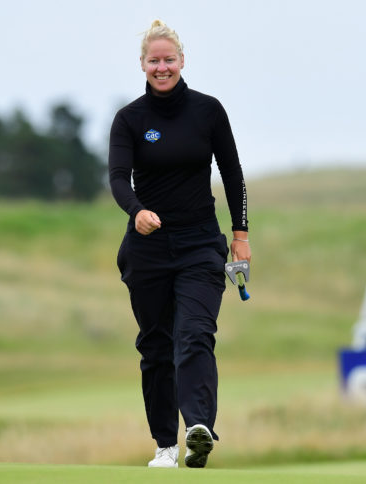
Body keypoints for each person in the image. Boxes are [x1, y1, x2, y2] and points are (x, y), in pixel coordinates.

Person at [108, 19, 250, 469]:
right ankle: (164, 445)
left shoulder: (208, 111)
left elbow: (233, 174)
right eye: (155, 60)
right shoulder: (130, 119)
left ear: (182, 61)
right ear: (143, 65)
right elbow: (116, 177)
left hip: (200, 244)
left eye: (170, 59)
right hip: (148, 248)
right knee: (155, 344)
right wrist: (137, 211)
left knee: (194, 335)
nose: (162, 67)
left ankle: (198, 430)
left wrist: (241, 235)